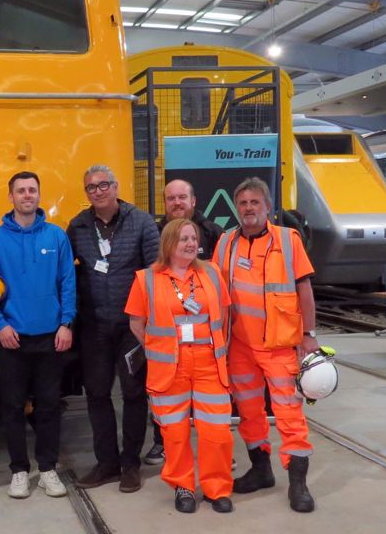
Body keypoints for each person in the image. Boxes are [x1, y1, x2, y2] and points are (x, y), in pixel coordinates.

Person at [212, 177, 319, 513]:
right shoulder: (225, 242)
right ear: (236, 208)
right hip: (239, 347)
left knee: (289, 413)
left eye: (254, 202)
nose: (248, 208)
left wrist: (309, 334)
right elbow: (215, 290)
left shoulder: (288, 240)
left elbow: (304, 289)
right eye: (243, 203)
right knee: (248, 412)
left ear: (268, 207)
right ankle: (261, 470)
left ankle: (298, 484)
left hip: (279, 345)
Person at [0, 171, 75, 499]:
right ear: (11, 197)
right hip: (11, 338)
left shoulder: (56, 237)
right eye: (21, 191)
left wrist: (66, 323)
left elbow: (68, 282)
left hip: (51, 338)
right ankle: (19, 471)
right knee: (12, 407)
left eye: (32, 190)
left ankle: (47, 469)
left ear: (39, 195)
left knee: (49, 407)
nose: (27, 195)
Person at [126, 219, 234, 514]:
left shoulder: (212, 273)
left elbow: (224, 315)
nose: (190, 244)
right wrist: (157, 348)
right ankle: (183, 486)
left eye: (193, 238)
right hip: (169, 368)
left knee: (217, 431)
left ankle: (216, 489)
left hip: (209, 364)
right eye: (183, 239)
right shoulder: (146, 279)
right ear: (168, 243)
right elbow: (136, 323)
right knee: (174, 433)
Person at [66, 165, 159, 493]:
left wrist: (148, 321)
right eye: (91, 187)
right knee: (97, 394)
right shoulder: (78, 226)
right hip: (94, 326)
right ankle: (106, 463)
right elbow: (65, 272)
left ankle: (130, 464)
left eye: (103, 185)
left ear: (116, 187)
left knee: (133, 393)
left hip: (132, 326)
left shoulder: (142, 222)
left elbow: (154, 273)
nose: (98, 191)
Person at [145, 178, 225, 466]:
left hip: (205, 350)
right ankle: (163, 444)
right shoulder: (151, 234)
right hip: (169, 350)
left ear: (193, 201)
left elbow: (223, 302)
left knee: (211, 412)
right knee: (169, 408)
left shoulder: (213, 233)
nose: (176, 203)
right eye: (171, 198)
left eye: (182, 197)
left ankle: (214, 453)